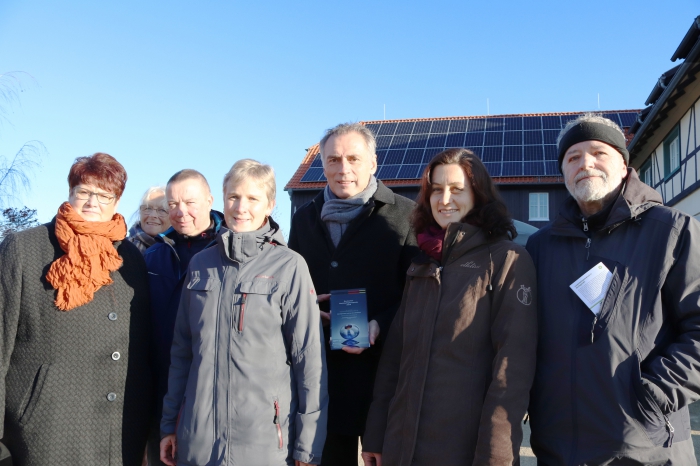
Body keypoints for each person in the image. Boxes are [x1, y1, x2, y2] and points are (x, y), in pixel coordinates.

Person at [526, 113, 700, 464]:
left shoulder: (672, 231)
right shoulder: (541, 247)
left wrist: (650, 396)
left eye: (598, 153)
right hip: (557, 446)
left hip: (645, 447)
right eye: (573, 157)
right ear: (563, 173)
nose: (585, 164)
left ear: (623, 164)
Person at [361, 148, 537, 466]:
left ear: (479, 195)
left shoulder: (507, 259)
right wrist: (375, 434)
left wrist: (497, 455)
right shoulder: (421, 265)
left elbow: (512, 369)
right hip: (401, 446)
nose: (445, 199)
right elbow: (394, 361)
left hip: (464, 449)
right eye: (436, 190)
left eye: (457, 189)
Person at [159, 159, 328, 466]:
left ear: (270, 205)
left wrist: (308, 445)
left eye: (253, 198)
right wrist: (169, 424)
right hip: (198, 442)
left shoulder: (289, 267)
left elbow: (309, 362)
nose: (241, 207)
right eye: (234, 197)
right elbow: (182, 353)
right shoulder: (201, 265)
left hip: (265, 444)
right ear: (223, 200)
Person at [0, 152, 152, 465]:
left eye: (104, 195)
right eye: (84, 191)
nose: (92, 202)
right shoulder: (25, 248)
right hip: (42, 436)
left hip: (119, 435)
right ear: (70, 193)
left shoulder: (131, 260)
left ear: (117, 202)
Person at [288, 122, 418, 466]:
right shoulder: (304, 219)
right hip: (322, 374)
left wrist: (381, 324)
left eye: (353, 159)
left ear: (373, 163)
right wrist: (304, 309)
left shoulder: (406, 215)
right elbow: (291, 287)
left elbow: (418, 294)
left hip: (384, 373)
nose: (343, 169)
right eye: (333, 160)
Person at [144, 169, 224, 466]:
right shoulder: (152, 257)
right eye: (172, 204)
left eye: (189, 203)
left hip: (211, 394)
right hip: (161, 393)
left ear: (209, 200)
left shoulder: (228, 252)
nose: (180, 212)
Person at [128, 186, 171, 254]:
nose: (153, 215)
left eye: (162, 210)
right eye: (148, 208)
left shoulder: (177, 252)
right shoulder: (120, 247)